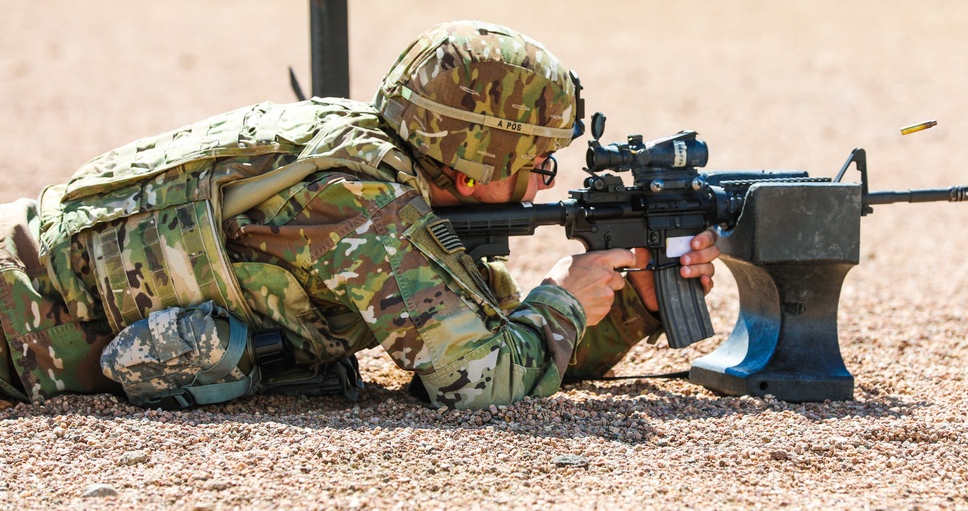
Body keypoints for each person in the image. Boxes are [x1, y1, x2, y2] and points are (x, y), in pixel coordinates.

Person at [0, 20, 718, 410]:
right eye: (535, 162)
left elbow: (500, 342)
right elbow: (477, 380)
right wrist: (564, 297)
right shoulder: (367, 206)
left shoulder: (383, 162)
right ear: (471, 165)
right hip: (16, 322)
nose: (542, 181)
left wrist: (630, 307)